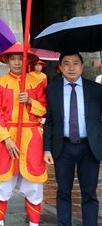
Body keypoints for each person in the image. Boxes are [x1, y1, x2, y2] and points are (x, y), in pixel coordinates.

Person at [0, 43, 47, 226]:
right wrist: (6, 139)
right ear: (7, 61)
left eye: (20, 59)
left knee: (33, 184)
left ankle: (34, 223)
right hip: (7, 136)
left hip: (31, 138)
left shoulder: (37, 82)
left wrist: (30, 101)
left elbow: (44, 110)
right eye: (13, 59)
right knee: (3, 183)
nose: (16, 62)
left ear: (27, 61)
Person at [43, 52, 102, 226]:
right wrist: (47, 148)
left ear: (82, 67)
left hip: (89, 147)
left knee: (89, 192)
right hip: (63, 147)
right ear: (60, 68)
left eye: (75, 63)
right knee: (63, 191)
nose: (71, 67)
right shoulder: (52, 90)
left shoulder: (96, 89)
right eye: (67, 63)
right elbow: (49, 121)